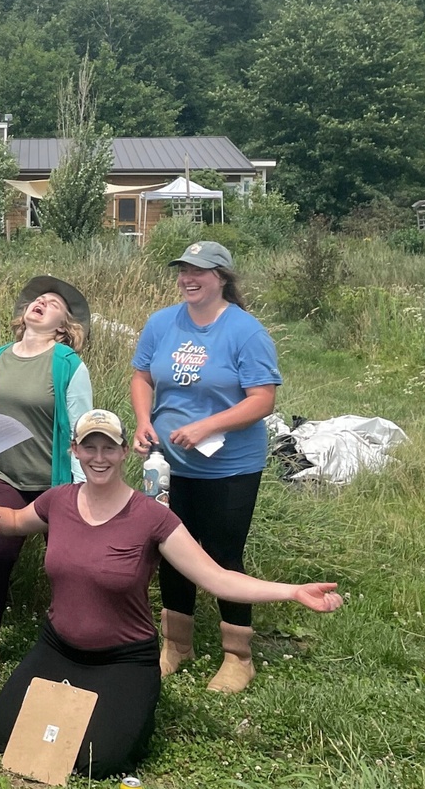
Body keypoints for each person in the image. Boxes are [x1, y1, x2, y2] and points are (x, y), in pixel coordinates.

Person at [0, 409, 341, 778]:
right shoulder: (58, 501)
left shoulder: (152, 517)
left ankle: (129, 708)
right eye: (90, 448)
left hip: (123, 659)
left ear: (123, 452)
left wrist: (293, 591)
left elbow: (216, 578)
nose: (99, 458)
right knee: (4, 735)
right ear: (75, 451)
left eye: (108, 448)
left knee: (96, 761)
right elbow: (16, 521)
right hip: (58, 648)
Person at [130, 241, 283, 694]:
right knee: (173, 551)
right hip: (169, 465)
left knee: (222, 553)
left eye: (199, 271)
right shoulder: (162, 323)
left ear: (222, 277)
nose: (188, 278)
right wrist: (143, 422)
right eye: (183, 270)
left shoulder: (245, 331)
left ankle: (238, 656)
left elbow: (263, 399)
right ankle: (176, 645)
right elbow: (142, 377)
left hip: (229, 467)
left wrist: (205, 426)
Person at [0, 275, 93, 680]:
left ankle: (73, 645)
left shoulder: (68, 365)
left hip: (53, 482)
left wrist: (78, 489)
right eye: (37, 299)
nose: (41, 302)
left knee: (67, 565)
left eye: (52, 303)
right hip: (4, 475)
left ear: (62, 326)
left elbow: (81, 427)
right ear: (24, 315)